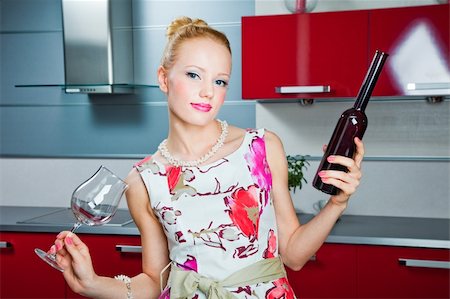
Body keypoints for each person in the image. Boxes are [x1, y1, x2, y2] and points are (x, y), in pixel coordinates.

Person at [51, 16, 365, 299]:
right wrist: (92, 283)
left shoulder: (262, 148)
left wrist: (337, 203)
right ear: (164, 79)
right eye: (193, 75)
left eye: (219, 80)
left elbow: (294, 255)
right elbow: (154, 281)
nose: (208, 92)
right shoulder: (143, 180)